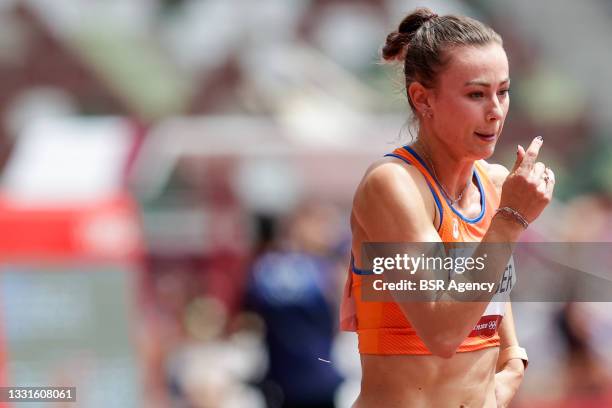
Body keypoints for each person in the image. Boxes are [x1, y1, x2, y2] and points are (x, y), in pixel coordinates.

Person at [339, 8, 555, 408]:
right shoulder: (392, 185)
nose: (495, 110)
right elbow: (441, 331)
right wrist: (510, 220)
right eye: (476, 94)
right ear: (423, 99)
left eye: (503, 91)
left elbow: (496, 322)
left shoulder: (492, 186)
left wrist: (512, 368)